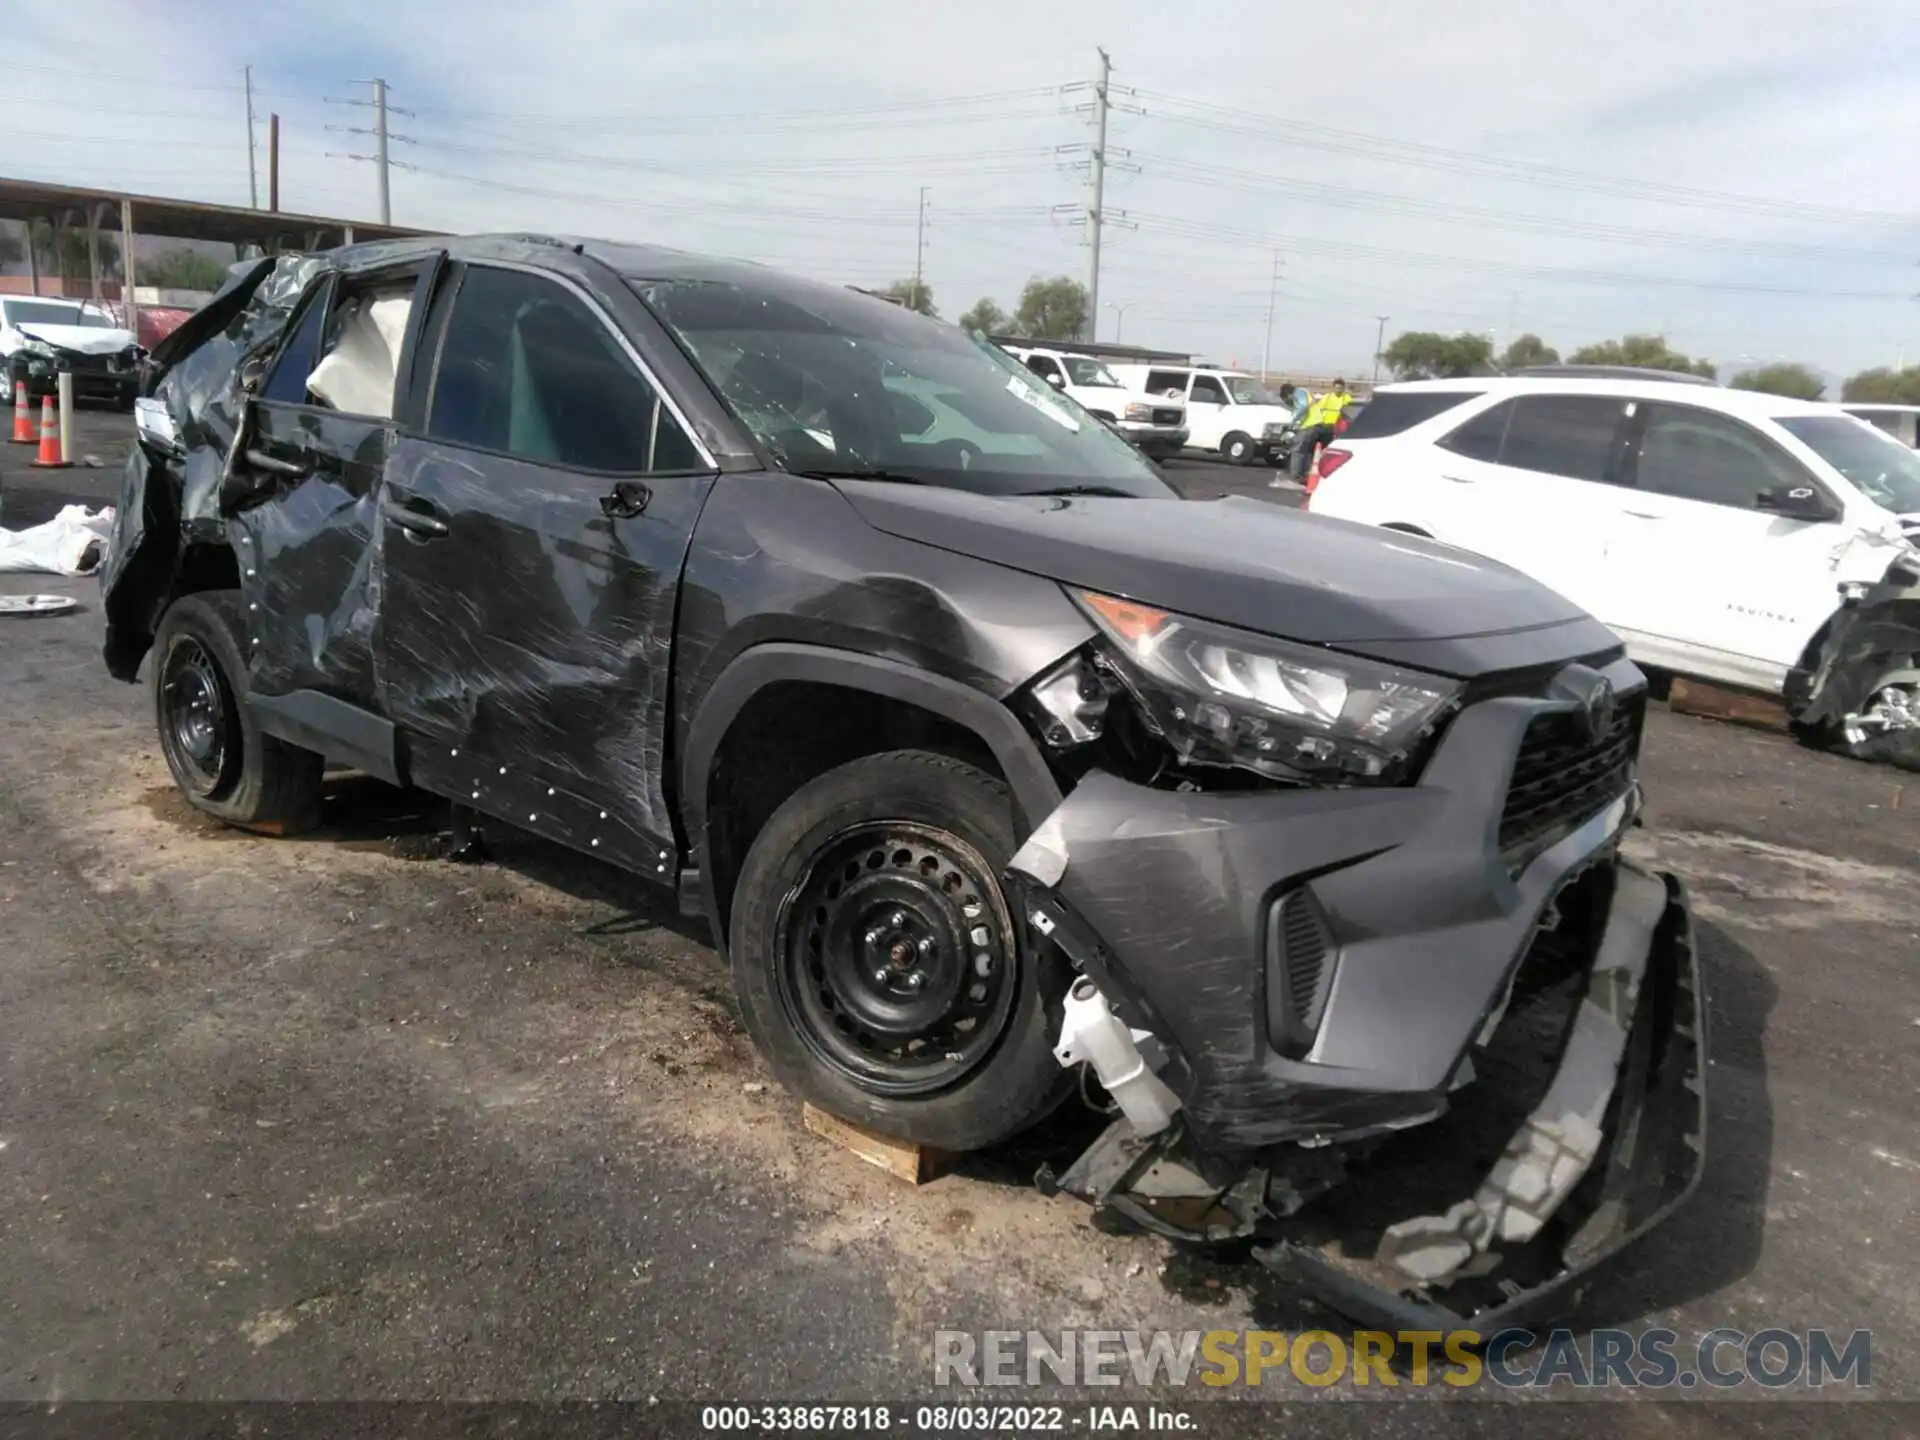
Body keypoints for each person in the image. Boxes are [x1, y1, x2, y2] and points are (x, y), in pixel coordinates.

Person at [1289, 377, 1354, 480]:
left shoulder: (1346, 398)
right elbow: (1316, 407)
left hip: (1335, 428)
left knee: (1327, 452)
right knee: (1310, 450)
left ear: (1343, 388)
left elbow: (1349, 411)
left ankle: (1324, 473)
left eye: (1340, 388)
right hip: (1322, 426)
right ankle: (1305, 473)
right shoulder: (1327, 397)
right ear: (1333, 388)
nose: (1338, 390)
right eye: (1336, 388)